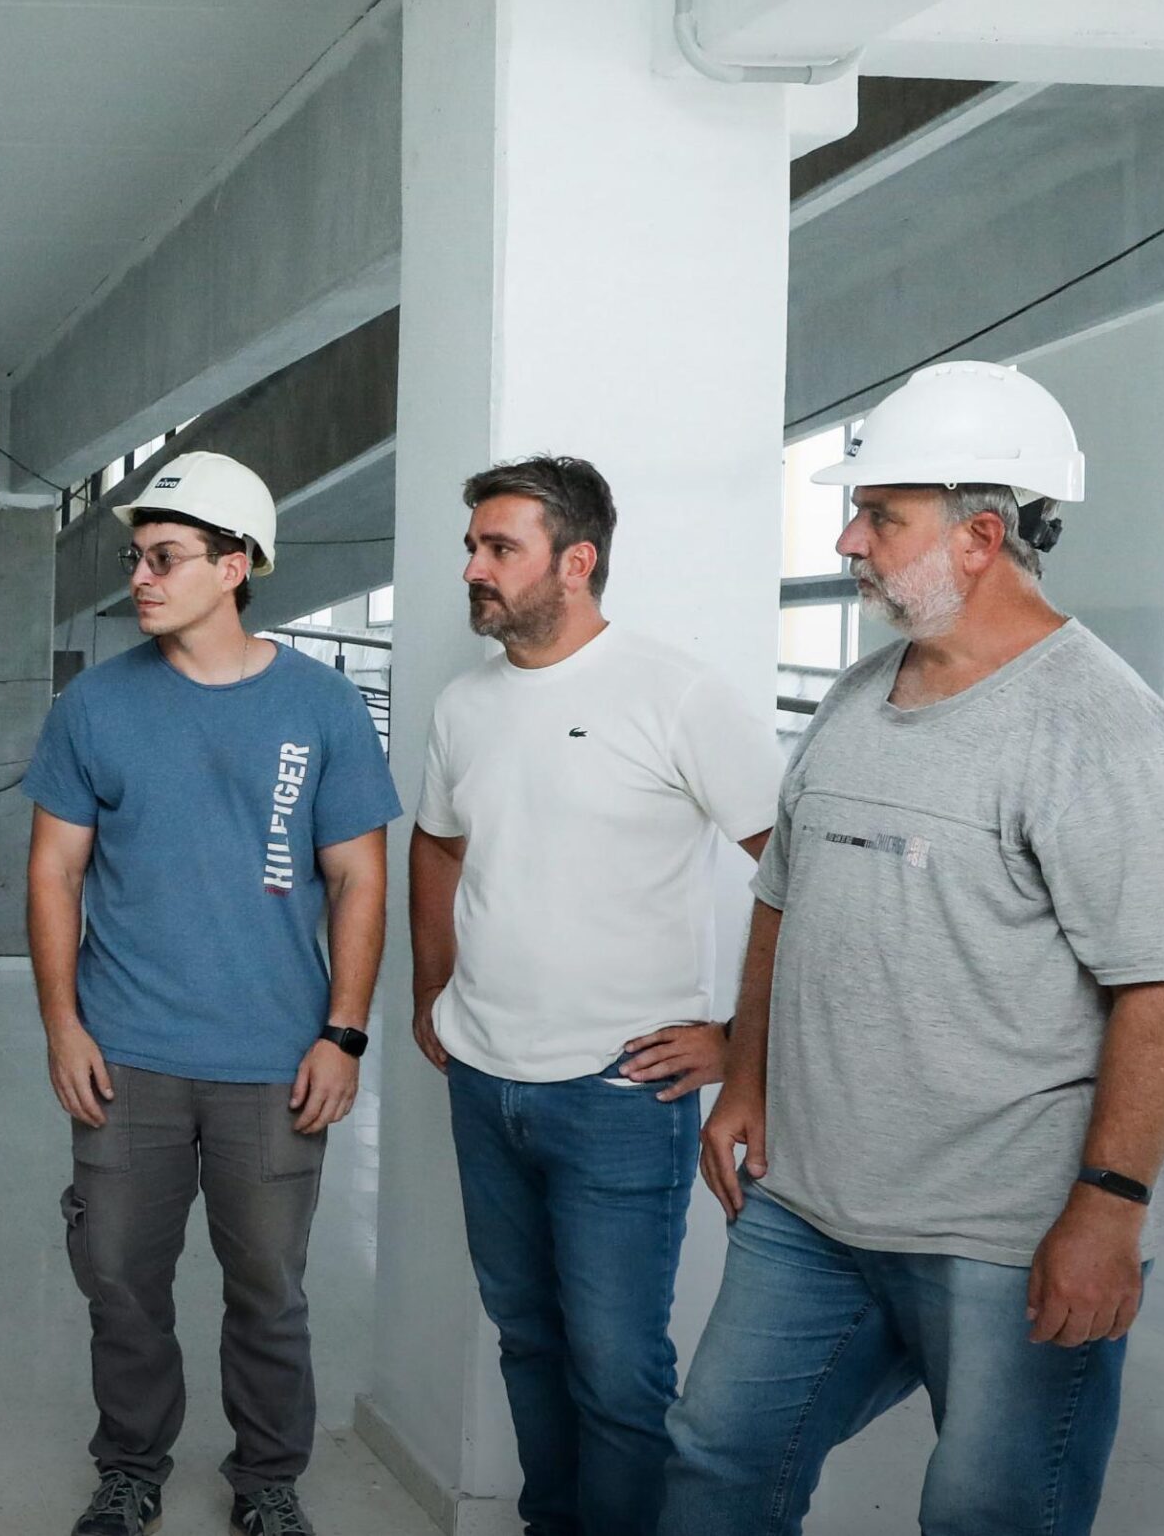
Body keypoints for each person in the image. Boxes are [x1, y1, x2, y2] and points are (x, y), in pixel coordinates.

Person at [662, 362, 1164, 1536]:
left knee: (988, 1514)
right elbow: (782, 899)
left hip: (1004, 1225)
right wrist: (746, 1077)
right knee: (714, 1458)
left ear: (979, 537)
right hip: (811, 1202)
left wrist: (1107, 1210)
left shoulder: (1099, 726)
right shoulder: (856, 696)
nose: (847, 540)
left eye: (879, 516)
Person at [25, 452, 402, 1536]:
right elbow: (53, 873)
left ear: (235, 567)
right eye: (135, 558)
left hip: (274, 1059)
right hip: (126, 1053)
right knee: (118, 1279)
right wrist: (62, 1024)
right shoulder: (95, 706)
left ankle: (268, 1477)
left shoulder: (322, 704)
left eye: (165, 558)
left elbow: (359, 877)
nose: (139, 578)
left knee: (269, 1288)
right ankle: (130, 1467)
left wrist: (343, 1034)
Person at [407, 457, 780, 1536]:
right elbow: (436, 845)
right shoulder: (465, 703)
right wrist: (431, 987)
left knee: (617, 1372)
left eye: (499, 548)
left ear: (577, 561)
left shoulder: (677, 693)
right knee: (527, 1339)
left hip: (619, 1092)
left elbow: (797, 875)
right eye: (471, 547)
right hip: (483, 1078)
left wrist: (737, 1041)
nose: (472, 568)